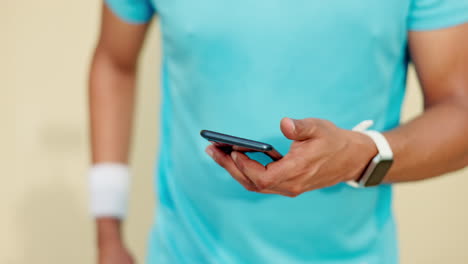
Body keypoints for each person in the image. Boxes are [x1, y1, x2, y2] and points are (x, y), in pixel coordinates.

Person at [88, 0, 468, 263]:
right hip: (186, 253)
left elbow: (459, 110)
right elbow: (114, 63)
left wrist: (362, 155)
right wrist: (108, 234)